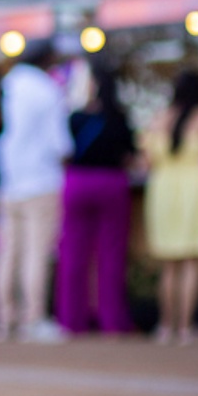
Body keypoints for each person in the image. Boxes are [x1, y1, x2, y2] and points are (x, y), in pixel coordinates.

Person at [0, 44, 73, 341]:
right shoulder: (48, 90)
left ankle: (3, 318)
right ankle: (33, 318)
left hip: (8, 182)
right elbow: (60, 144)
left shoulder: (7, 84)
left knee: (7, 252)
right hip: (40, 180)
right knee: (36, 252)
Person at [142, 69, 198, 346]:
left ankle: (166, 327)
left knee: (169, 264)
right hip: (193, 189)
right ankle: (186, 328)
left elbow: (147, 161)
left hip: (163, 189)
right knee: (191, 261)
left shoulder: (159, 117)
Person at [55, 63, 135, 335]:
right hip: (112, 184)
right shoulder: (120, 118)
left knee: (72, 255)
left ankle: (70, 320)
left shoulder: (75, 118)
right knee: (111, 255)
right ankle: (111, 321)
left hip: (77, 183)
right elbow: (130, 156)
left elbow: (63, 152)